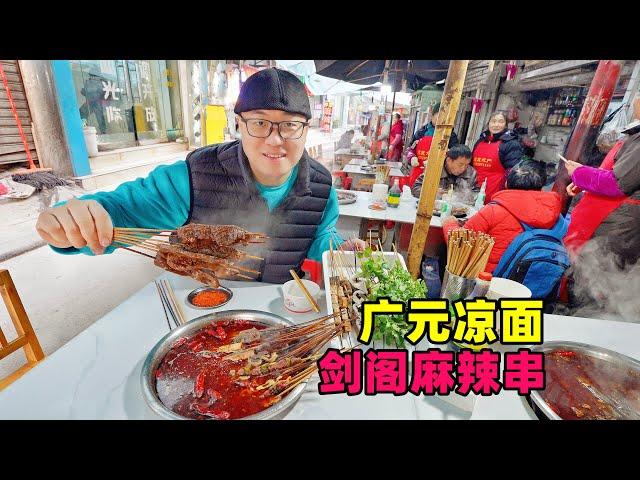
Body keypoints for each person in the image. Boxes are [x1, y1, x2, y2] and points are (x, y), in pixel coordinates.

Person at [35, 68, 365, 284]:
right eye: (260, 122)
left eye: (290, 124)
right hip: (199, 310)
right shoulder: (193, 177)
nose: (275, 139)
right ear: (238, 124)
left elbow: (316, 239)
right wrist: (80, 219)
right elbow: (122, 213)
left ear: (306, 129)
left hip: (275, 314)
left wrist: (339, 248)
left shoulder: (322, 187)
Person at [441, 159, 562, 273]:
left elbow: (459, 245)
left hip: (490, 279)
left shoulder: (493, 211)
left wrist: (449, 224)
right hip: (527, 283)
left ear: (507, 183)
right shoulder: (556, 215)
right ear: (541, 187)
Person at [471, 110, 524, 203]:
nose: (496, 125)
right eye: (493, 121)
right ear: (489, 123)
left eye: (500, 121)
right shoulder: (480, 141)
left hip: (494, 197)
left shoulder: (511, 144)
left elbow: (512, 173)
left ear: (506, 125)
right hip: (472, 194)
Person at [406, 102, 459, 187]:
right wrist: (412, 157)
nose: (441, 119)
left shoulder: (451, 135)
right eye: (439, 115)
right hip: (418, 172)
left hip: (438, 176)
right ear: (433, 115)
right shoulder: (422, 132)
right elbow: (410, 148)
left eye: (445, 116)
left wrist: (442, 157)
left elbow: (455, 155)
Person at [411, 144, 477, 197]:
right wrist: (432, 192)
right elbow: (415, 188)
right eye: (460, 164)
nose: (463, 168)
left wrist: (468, 196)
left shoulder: (471, 173)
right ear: (449, 160)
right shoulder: (435, 168)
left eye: (466, 165)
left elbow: (476, 193)